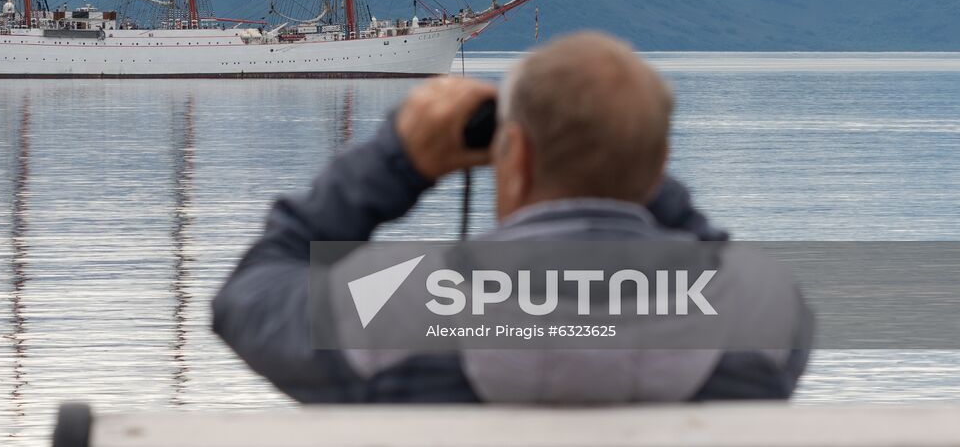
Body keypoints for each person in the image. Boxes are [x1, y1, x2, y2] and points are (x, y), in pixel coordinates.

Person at [212, 31, 812, 403]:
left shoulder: (397, 301)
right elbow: (717, 255)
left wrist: (395, 159)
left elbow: (249, 296)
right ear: (659, 168)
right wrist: (620, 155)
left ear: (515, 155)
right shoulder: (763, 311)